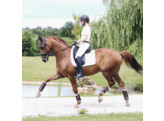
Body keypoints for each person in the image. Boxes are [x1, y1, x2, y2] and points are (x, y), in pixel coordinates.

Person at [72, 14, 91, 79]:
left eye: (81, 21)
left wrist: (77, 41)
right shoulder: (84, 27)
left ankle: (80, 73)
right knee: (74, 49)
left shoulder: (87, 28)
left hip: (85, 44)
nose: (81, 22)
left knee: (77, 56)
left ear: (85, 21)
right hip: (82, 44)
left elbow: (85, 38)